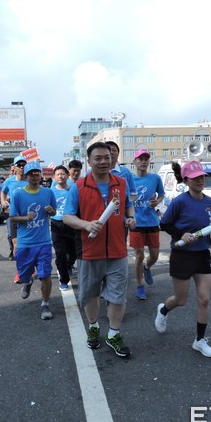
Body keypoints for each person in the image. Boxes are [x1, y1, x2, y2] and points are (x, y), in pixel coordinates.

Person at [63, 142, 136, 358]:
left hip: (117, 250)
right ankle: (94, 327)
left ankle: (113, 334)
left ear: (112, 159)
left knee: (117, 296)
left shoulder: (121, 183)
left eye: (107, 157)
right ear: (89, 161)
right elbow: (67, 216)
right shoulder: (79, 186)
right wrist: (86, 224)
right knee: (91, 294)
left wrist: (131, 217)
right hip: (89, 251)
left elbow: (129, 204)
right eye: (98, 158)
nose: (103, 161)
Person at [155, 160, 211, 358]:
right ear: (186, 180)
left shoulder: (209, 201)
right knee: (181, 300)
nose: (200, 180)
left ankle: (199, 340)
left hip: (202, 254)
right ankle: (163, 310)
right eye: (195, 178)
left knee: (204, 299)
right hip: (182, 254)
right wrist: (181, 233)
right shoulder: (179, 201)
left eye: (202, 177)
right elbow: (165, 223)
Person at [9, 161, 57, 320]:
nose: (35, 176)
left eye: (37, 173)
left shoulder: (48, 193)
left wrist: (51, 211)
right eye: (32, 174)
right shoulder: (18, 194)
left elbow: (54, 211)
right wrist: (26, 217)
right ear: (26, 176)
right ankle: (27, 281)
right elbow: (12, 217)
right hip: (25, 243)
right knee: (24, 274)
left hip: (43, 242)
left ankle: (45, 304)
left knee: (45, 275)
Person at [130, 148, 165, 300]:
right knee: (139, 255)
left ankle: (147, 267)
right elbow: (125, 200)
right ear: (134, 161)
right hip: (136, 223)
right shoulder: (129, 179)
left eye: (146, 159)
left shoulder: (155, 178)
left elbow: (162, 194)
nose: (143, 161)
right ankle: (139, 286)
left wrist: (156, 202)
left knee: (155, 255)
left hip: (152, 221)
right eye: (140, 159)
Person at [50, 165, 77, 291]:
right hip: (57, 225)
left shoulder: (73, 189)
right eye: (58, 174)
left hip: (71, 224)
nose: (60, 176)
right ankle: (64, 280)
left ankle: (69, 264)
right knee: (60, 253)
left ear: (67, 175)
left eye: (62, 174)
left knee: (74, 253)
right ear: (54, 177)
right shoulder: (51, 192)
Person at [1, 155, 27, 266]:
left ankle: (29, 267)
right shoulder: (9, 181)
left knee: (27, 245)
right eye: (19, 165)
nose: (21, 167)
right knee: (15, 243)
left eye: (23, 165)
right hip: (14, 216)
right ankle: (20, 269)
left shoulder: (30, 180)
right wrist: (3, 201)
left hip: (27, 217)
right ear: (14, 168)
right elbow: (3, 192)